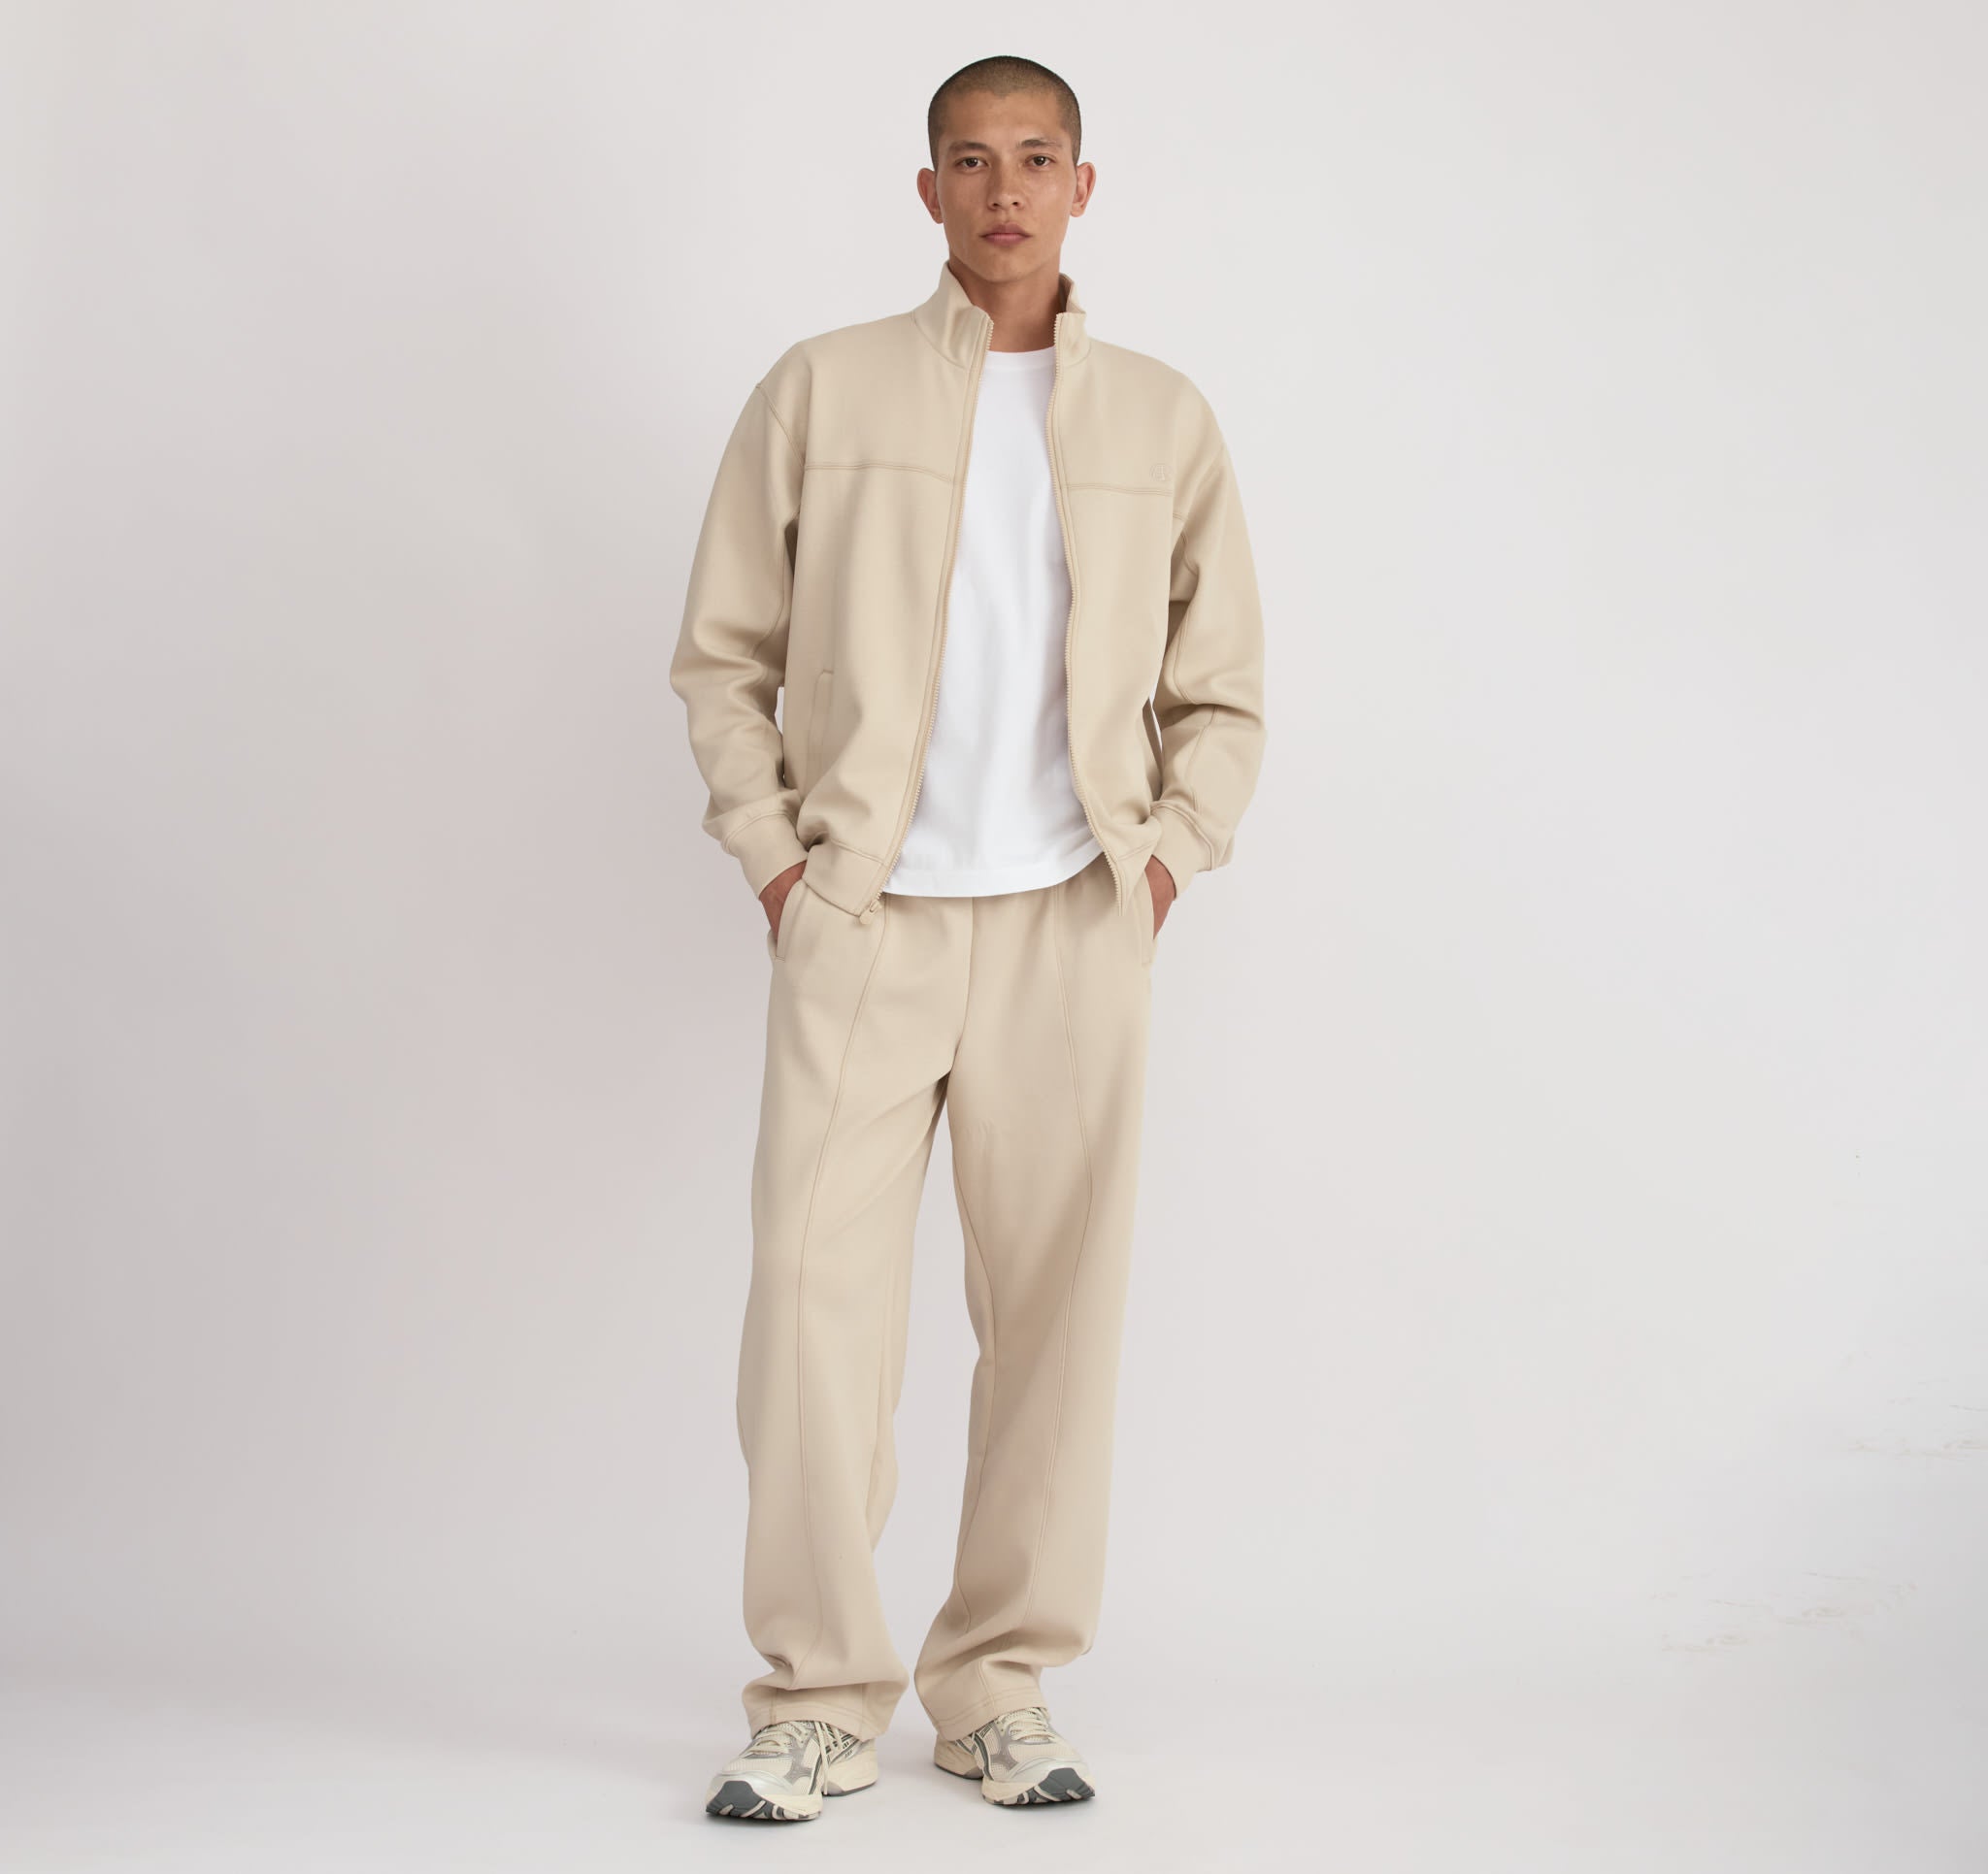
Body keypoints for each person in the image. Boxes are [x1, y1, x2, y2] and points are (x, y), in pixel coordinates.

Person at [671, 53, 1267, 1823]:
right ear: (926, 189)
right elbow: (723, 655)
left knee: (1057, 1327)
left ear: (1085, 184)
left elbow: (1224, 690)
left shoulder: (1161, 417)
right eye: (970, 159)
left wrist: (1163, 862)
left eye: (1035, 156)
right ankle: (817, 1696)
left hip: (1073, 924)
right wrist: (780, 864)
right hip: (865, 920)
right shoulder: (822, 387)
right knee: (810, 1315)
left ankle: (997, 1683)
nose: (1004, 189)